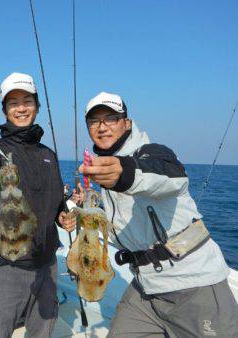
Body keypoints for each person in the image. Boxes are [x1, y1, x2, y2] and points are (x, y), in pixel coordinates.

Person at [70, 91, 238, 337]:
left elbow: (172, 178)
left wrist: (124, 174)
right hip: (145, 288)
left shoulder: (152, 154)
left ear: (126, 123)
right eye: (94, 121)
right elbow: (126, 227)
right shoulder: (103, 169)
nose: (102, 127)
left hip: (195, 284)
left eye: (111, 118)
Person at [0, 72, 74, 337]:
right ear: (5, 110)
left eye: (27, 101)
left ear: (36, 105)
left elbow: (55, 202)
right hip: (8, 266)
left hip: (47, 266)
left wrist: (63, 216)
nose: (21, 108)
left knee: (41, 332)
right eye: (13, 103)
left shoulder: (49, 155)